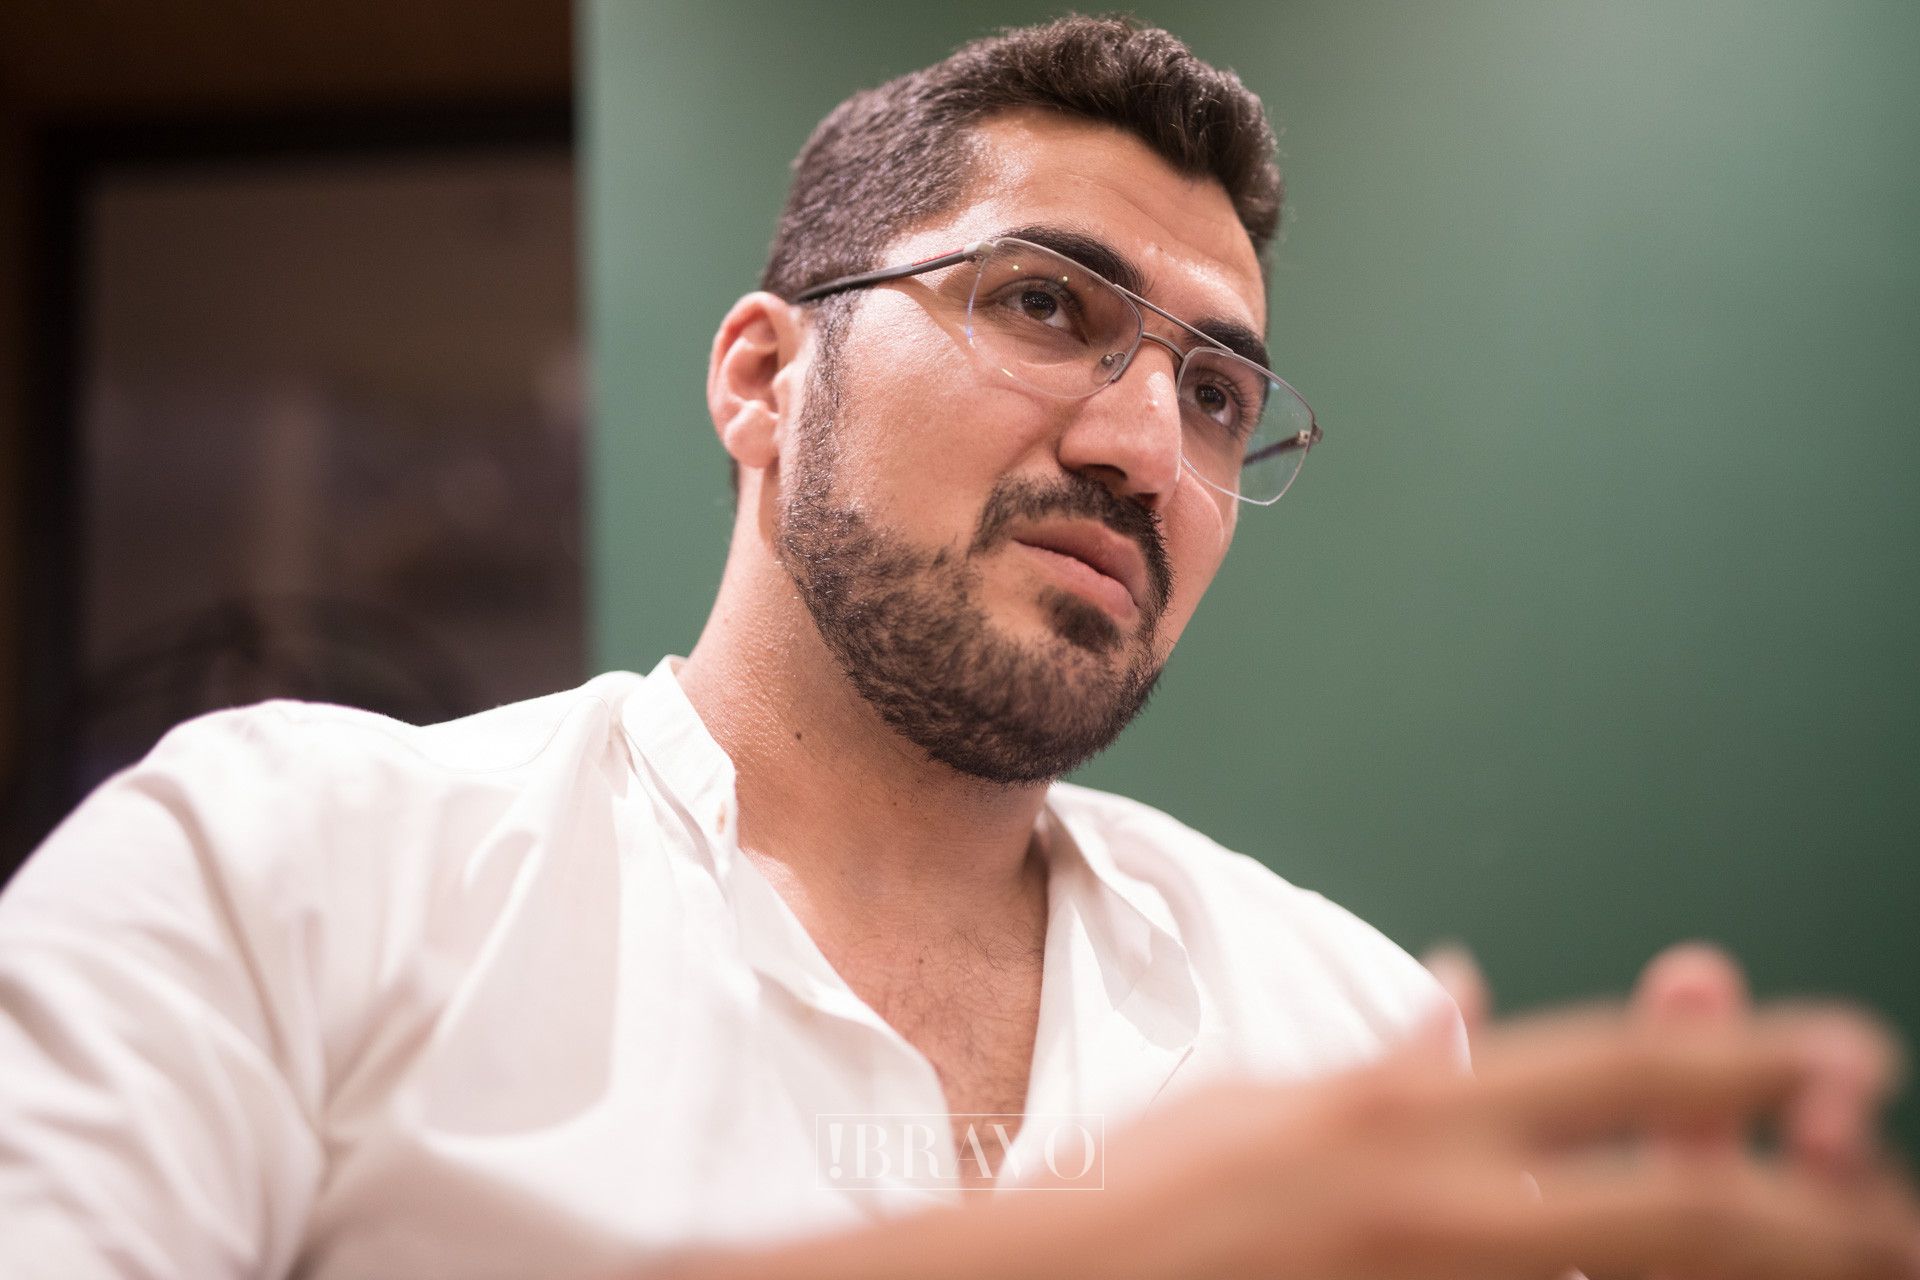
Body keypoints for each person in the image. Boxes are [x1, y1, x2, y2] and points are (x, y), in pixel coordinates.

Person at [1, 15, 1914, 1280]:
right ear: (765, 377)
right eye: (1045, 303)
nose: (1146, 445)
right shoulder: (270, 875)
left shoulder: (1345, 1025)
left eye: (1220, 395)